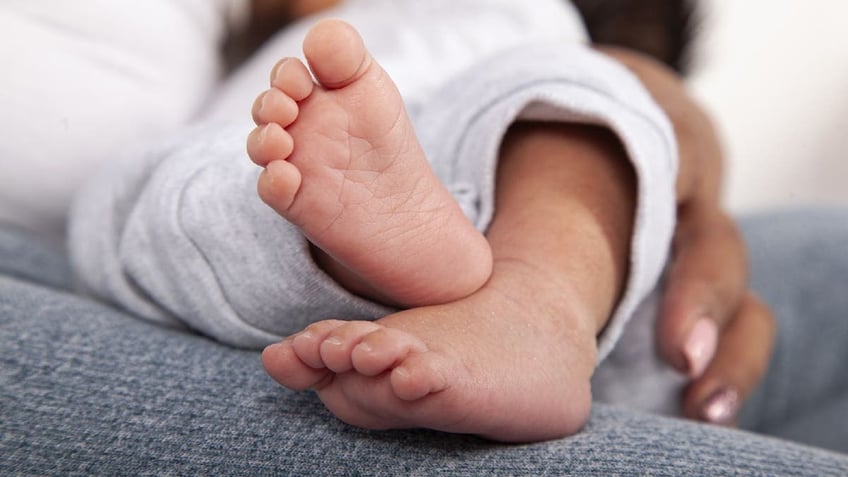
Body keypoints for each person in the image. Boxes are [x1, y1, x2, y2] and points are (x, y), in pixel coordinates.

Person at [3, 0, 848, 473]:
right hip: (605, 322)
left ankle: (441, 276)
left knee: (154, 199)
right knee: (567, 111)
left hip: (459, 195)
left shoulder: (437, 31)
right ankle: (519, 290)